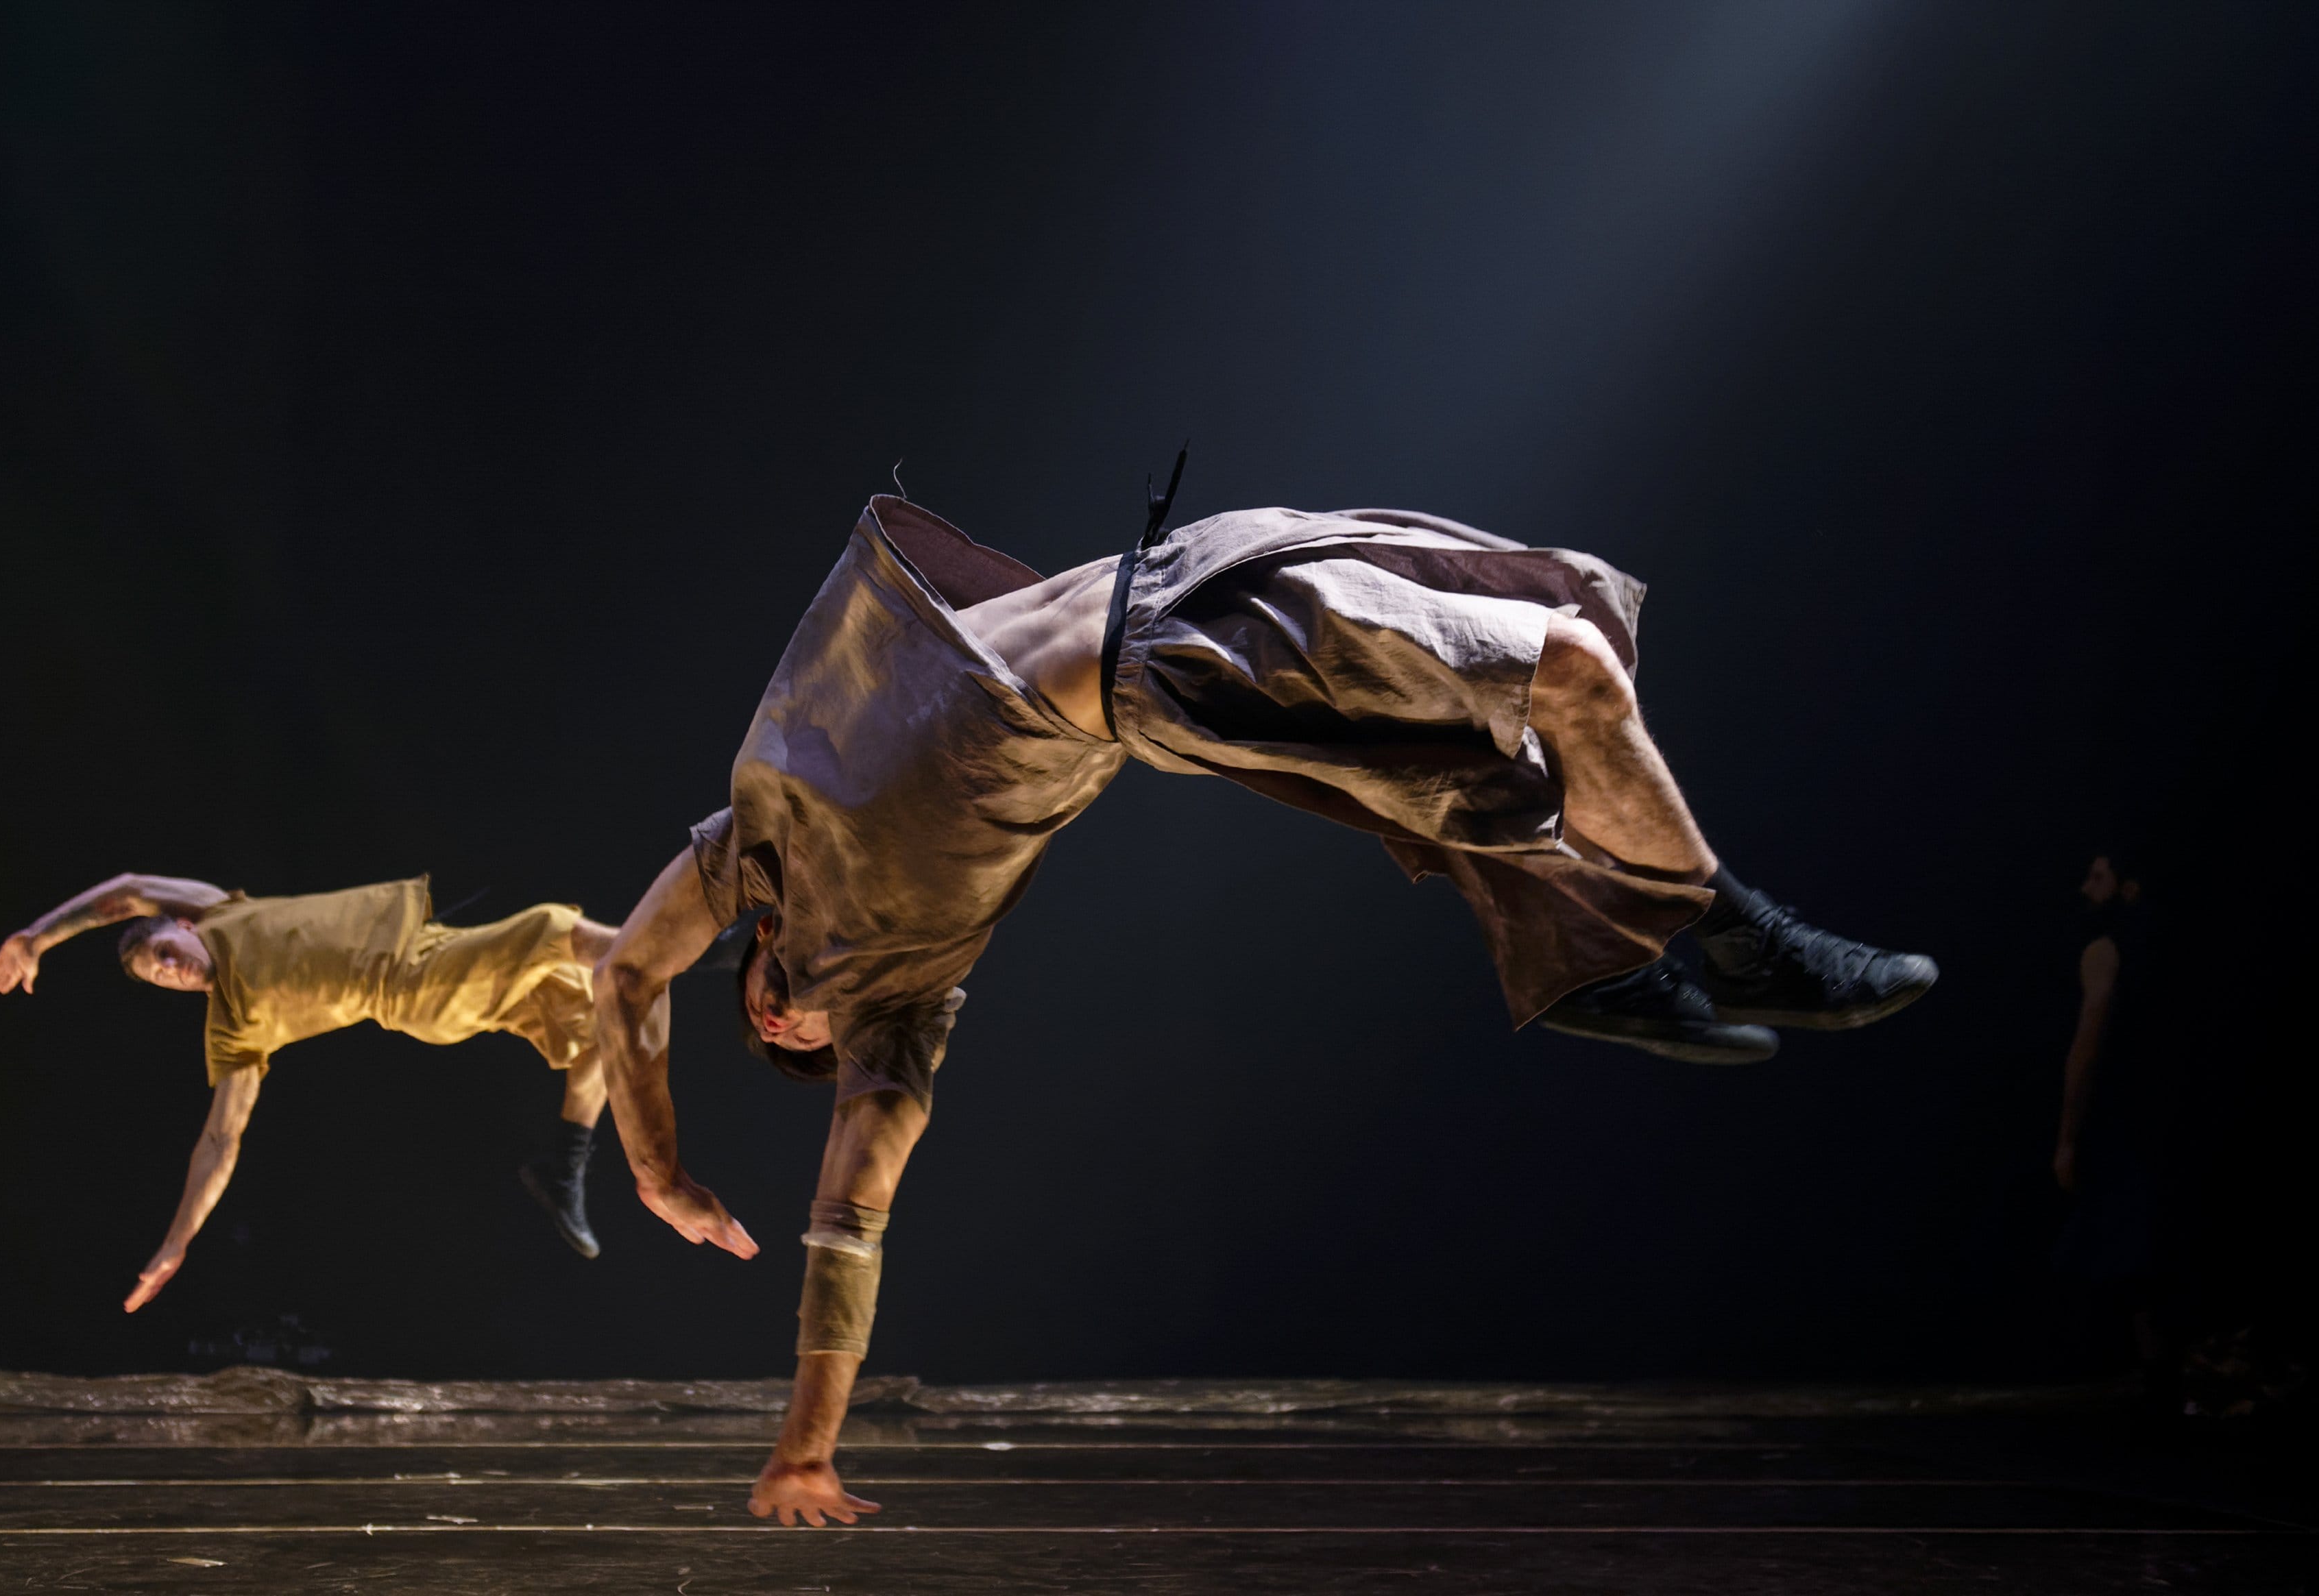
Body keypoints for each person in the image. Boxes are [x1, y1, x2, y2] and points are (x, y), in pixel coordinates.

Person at [592, 494, 1939, 1525]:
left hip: (1186, 569)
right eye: (781, 1021)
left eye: (759, 988)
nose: (768, 1002)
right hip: (1159, 668)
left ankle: (1627, 960)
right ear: (803, 1037)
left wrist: (658, 1168)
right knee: (1561, 678)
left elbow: (629, 972)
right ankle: (1735, 936)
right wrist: (805, 1445)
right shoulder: (905, 1010)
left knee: (1532, 705)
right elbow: (847, 1224)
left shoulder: (754, 847)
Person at [0, 872, 618, 1308]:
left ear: (183, 925)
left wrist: (35, 937)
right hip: (413, 985)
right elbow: (219, 1139)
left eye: (164, 952)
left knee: (598, 1029)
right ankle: (683, 945)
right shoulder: (235, 1029)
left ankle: (563, 1168)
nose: (172, 971)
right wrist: (176, 1242)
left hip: (434, 945)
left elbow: (127, 893)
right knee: (551, 926)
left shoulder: (220, 909)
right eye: (161, 978)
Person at [2053, 850, 2181, 1417]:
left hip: (2127, 1113)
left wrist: (2067, 1134)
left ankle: (2156, 1373)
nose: (2086, 888)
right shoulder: (2162, 950)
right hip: (2157, 1108)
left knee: (2127, 1245)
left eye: (2098, 877)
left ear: (2128, 887)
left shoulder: (2107, 950)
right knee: (2143, 1244)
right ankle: (2157, 1369)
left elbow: (2089, 1037)